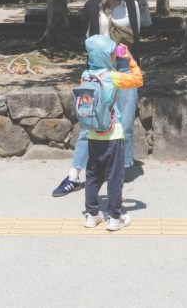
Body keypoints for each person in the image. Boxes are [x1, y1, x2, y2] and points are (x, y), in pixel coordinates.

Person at [52, 0, 142, 196]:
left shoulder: (131, 5)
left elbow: (136, 37)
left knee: (125, 120)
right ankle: (74, 175)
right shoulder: (92, 6)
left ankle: (120, 168)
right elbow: (88, 38)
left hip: (124, 65)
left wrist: (131, 61)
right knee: (90, 121)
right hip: (99, 70)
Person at [78, 35, 144, 231]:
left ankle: (91, 214)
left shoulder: (85, 76)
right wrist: (130, 59)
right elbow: (138, 80)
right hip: (113, 134)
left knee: (92, 175)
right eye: (111, 53)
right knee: (114, 178)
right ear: (104, 57)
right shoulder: (112, 77)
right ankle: (114, 217)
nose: (115, 56)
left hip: (93, 134)